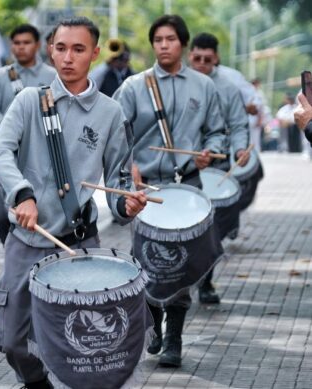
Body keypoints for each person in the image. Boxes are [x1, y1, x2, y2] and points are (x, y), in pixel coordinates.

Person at [0, 17, 147, 388]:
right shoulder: (29, 100)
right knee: (10, 340)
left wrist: (128, 205)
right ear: (51, 50)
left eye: (78, 49)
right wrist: (22, 194)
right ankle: (36, 383)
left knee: (84, 344)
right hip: (26, 241)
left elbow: (119, 181)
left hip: (77, 244)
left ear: (94, 53)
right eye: (61, 48)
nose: (68, 58)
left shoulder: (111, 112)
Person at [113, 14, 226, 368]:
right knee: (146, 260)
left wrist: (211, 152)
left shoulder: (204, 86)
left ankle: (174, 338)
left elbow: (217, 132)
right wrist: (126, 166)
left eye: (170, 39)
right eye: (158, 39)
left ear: (184, 45)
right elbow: (115, 134)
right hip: (147, 189)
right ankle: (151, 323)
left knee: (180, 263)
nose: (163, 45)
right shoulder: (134, 86)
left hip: (187, 186)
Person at [188, 32, 250, 304]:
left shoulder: (227, 87)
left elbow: (238, 125)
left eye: (207, 60)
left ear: (217, 59)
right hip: (183, 168)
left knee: (212, 231)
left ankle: (206, 282)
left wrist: (239, 149)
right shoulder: (179, 83)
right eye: (197, 58)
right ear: (190, 56)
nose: (201, 63)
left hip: (218, 167)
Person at [0, 24, 56, 245]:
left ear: (37, 45)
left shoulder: (52, 75)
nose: (21, 47)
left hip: (42, 155)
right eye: (16, 43)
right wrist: (16, 129)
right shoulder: (0, 77)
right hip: (7, 155)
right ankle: (13, 248)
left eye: (26, 43)